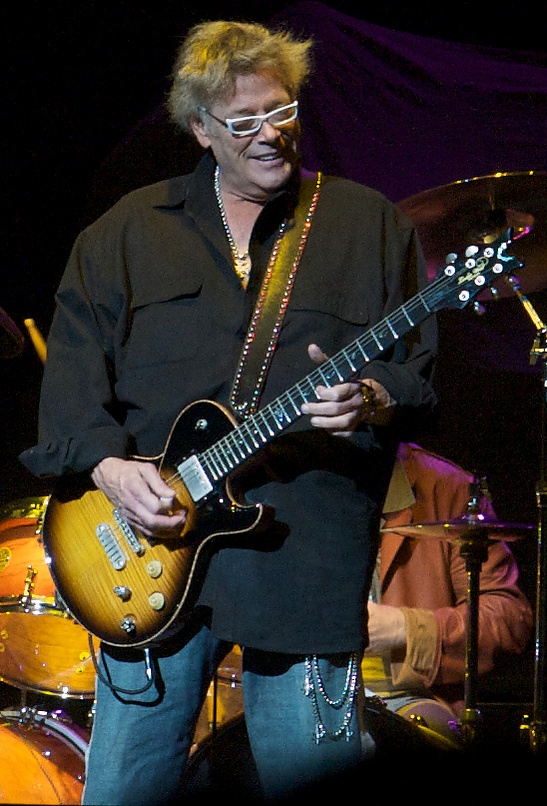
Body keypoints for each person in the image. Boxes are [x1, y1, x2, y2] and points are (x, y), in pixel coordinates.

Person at [19, 19, 437, 804]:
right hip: (147, 554)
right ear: (200, 129)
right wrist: (109, 468)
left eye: (281, 112)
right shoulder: (125, 233)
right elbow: (70, 388)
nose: (269, 135)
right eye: (243, 121)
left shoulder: (366, 225)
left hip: (302, 558)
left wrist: (373, 398)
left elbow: (418, 376)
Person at [363, 441, 533, 742]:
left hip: (404, 701)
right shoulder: (286, 487)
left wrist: (406, 629)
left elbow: (509, 620)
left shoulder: (447, 487)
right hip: (302, 695)